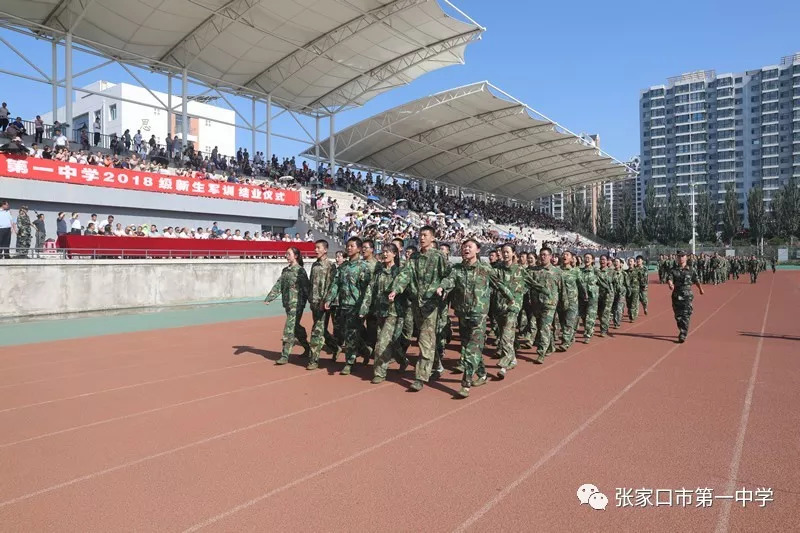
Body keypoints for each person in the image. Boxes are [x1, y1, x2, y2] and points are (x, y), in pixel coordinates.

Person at [436, 239, 512, 397]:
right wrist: (442, 287)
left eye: (469, 247)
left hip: (479, 315)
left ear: (477, 250)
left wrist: (511, 299)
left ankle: (466, 383)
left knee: (471, 349)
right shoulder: (457, 269)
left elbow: (499, 284)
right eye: (464, 247)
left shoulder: (484, 269)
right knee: (470, 347)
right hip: (463, 314)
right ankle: (482, 374)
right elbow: (449, 280)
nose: (466, 249)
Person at [389, 226, 448, 392]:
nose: (421, 238)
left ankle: (420, 377)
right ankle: (437, 366)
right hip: (416, 304)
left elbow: (448, 275)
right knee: (427, 340)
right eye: (420, 235)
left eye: (425, 235)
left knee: (424, 340)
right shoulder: (414, 257)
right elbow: (405, 275)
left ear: (433, 238)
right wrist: (396, 289)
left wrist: (442, 287)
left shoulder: (438, 256)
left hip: (431, 305)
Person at [360, 243, 409, 384]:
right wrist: (364, 308)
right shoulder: (379, 272)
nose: (385, 254)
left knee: (382, 342)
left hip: (394, 312)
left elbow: (403, 284)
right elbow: (370, 291)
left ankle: (379, 372)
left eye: (388, 252)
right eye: (383, 252)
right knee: (391, 342)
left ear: (395, 254)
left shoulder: (400, 271)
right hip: (380, 311)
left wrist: (395, 291)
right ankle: (403, 360)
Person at [325, 237, 371, 375]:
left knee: (351, 334)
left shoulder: (363, 267)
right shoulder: (343, 266)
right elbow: (336, 284)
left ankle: (349, 362)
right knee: (345, 333)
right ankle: (365, 350)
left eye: (352, 246)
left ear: (358, 248)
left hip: (355, 306)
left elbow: (367, 289)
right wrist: (329, 299)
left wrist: (364, 306)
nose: (349, 248)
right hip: (342, 305)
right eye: (347, 246)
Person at [263, 247, 311, 365]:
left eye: (288, 254)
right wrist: (270, 297)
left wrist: (311, 302)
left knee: (289, 329)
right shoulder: (285, 270)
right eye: (286, 254)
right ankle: (308, 348)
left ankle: (285, 355)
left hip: (297, 304)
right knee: (295, 327)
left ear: (296, 256)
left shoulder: (300, 271)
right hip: (287, 303)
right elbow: (279, 284)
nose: (286, 256)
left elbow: (306, 288)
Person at [307, 239, 337, 370]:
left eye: (318, 248)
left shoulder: (330, 266)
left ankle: (313, 360)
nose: (316, 250)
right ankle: (336, 347)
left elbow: (331, 286)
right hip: (314, 302)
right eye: (315, 248)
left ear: (325, 250)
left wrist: (325, 301)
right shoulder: (314, 265)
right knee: (322, 330)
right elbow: (311, 283)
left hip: (323, 304)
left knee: (316, 331)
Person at [666, 250, 704, 343]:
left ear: (686, 257)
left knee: (686, 315)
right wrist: (670, 284)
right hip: (676, 295)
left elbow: (696, 280)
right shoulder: (673, 270)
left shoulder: (691, 269)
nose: (681, 258)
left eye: (683, 256)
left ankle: (683, 334)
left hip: (687, 295)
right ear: (677, 258)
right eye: (679, 256)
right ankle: (682, 329)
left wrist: (700, 289)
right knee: (678, 316)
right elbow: (669, 278)